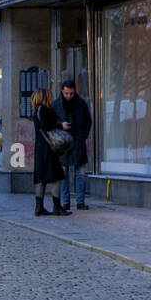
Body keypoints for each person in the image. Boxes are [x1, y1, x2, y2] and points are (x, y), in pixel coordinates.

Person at [53, 79, 91, 210]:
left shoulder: (81, 103)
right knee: (64, 174)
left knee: (80, 173)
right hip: (63, 142)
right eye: (66, 93)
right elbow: (51, 122)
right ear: (62, 91)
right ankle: (65, 202)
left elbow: (88, 121)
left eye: (71, 93)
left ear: (75, 92)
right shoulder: (56, 104)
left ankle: (80, 202)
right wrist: (60, 125)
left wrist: (84, 135)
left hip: (78, 140)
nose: (69, 96)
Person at [32, 87, 70, 216]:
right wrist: (59, 125)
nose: (51, 97)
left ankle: (39, 207)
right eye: (49, 95)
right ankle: (57, 206)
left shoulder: (36, 110)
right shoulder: (44, 110)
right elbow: (47, 126)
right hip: (48, 148)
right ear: (45, 97)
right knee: (57, 177)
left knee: (41, 178)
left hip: (40, 148)